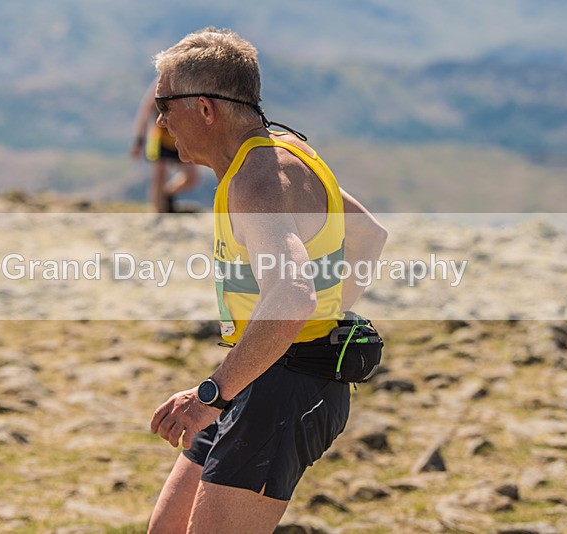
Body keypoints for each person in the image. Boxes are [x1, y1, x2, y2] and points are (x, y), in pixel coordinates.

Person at [148, 27, 388, 533]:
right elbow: (368, 234)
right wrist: (322, 320)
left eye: (165, 104)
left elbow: (291, 295)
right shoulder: (283, 153)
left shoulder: (256, 179)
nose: (162, 121)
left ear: (206, 109)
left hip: (282, 390)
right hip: (259, 376)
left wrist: (211, 394)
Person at [131, 78, 200, 212]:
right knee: (159, 175)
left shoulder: (190, 80)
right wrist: (139, 140)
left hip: (181, 136)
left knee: (191, 177)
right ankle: (158, 212)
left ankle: (168, 194)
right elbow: (146, 110)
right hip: (160, 137)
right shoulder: (161, 82)